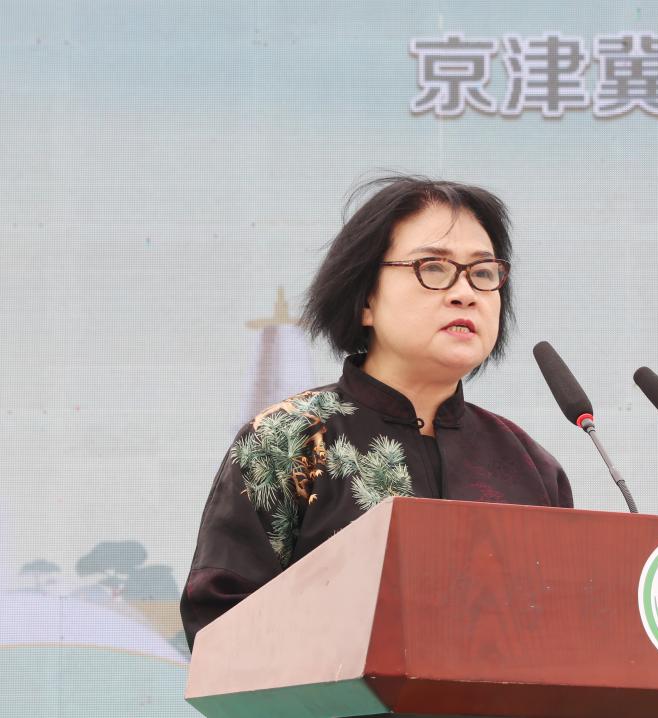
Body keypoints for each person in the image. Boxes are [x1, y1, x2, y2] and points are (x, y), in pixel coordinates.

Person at [180, 176, 573, 650]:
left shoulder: (527, 463)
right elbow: (220, 627)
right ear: (365, 297)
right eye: (434, 267)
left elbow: (564, 631)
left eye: (483, 273)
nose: (465, 292)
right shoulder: (289, 440)